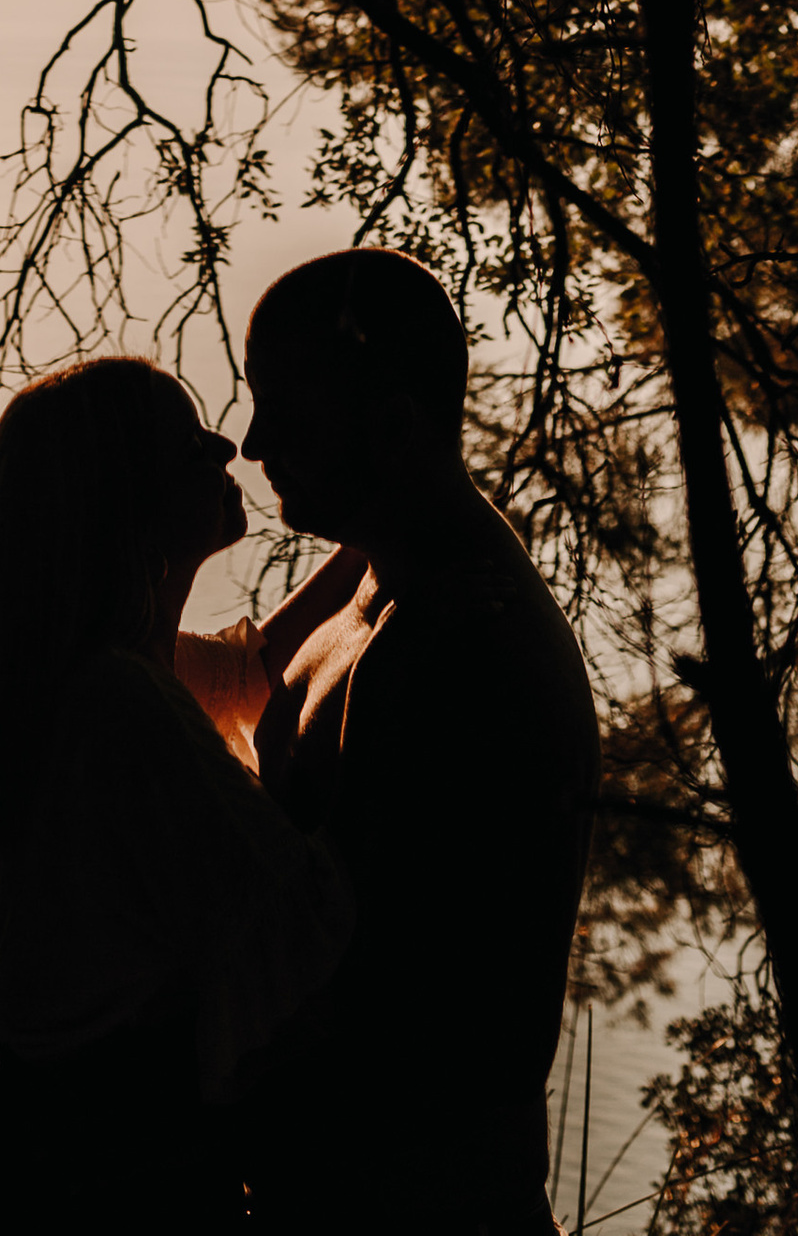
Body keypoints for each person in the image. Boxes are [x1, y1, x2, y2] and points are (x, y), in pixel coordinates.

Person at [183, 249, 600, 1233]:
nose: (253, 442)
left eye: (284, 408)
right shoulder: (386, 572)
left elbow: (377, 996)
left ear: (393, 423)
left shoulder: (459, 646)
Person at [0, 356, 349, 1236]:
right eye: (188, 444)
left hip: (14, 1148)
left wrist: (382, 532)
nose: (224, 446)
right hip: (73, 1182)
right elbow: (305, 915)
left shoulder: (99, 674)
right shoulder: (117, 704)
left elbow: (253, 670)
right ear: (126, 500)